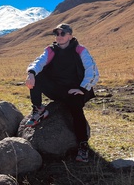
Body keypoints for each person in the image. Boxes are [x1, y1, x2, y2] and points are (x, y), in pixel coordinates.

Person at [25, 23, 99, 162]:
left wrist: (82, 88)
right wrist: (31, 73)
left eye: (62, 34)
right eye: (57, 34)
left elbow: (92, 71)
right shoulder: (51, 50)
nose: (59, 36)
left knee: (76, 111)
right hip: (57, 89)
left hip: (75, 91)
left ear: (70, 35)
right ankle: (39, 109)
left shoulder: (80, 50)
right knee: (37, 76)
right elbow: (38, 62)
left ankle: (83, 145)